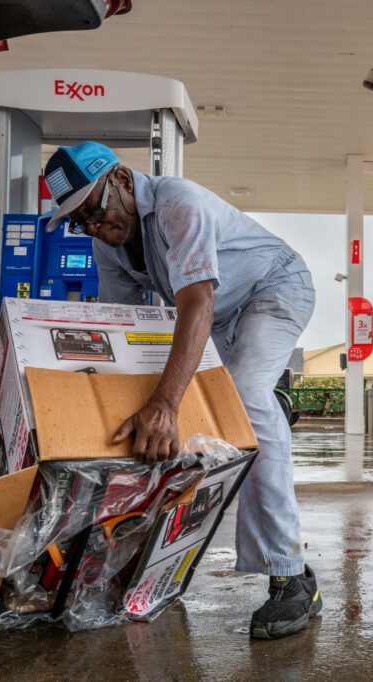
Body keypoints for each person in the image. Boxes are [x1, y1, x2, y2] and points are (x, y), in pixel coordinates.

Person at [42, 141, 321, 640]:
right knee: (188, 414)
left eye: (94, 211)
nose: (94, 228)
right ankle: (141, 561)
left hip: (273, 288)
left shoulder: (178, 203)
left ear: (123, 181)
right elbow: (123, 331)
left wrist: (165, 403)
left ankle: (293, 577)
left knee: (245, 402)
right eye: (79, 222)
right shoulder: (105, 245)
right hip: (217, 311)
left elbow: (196, 302)